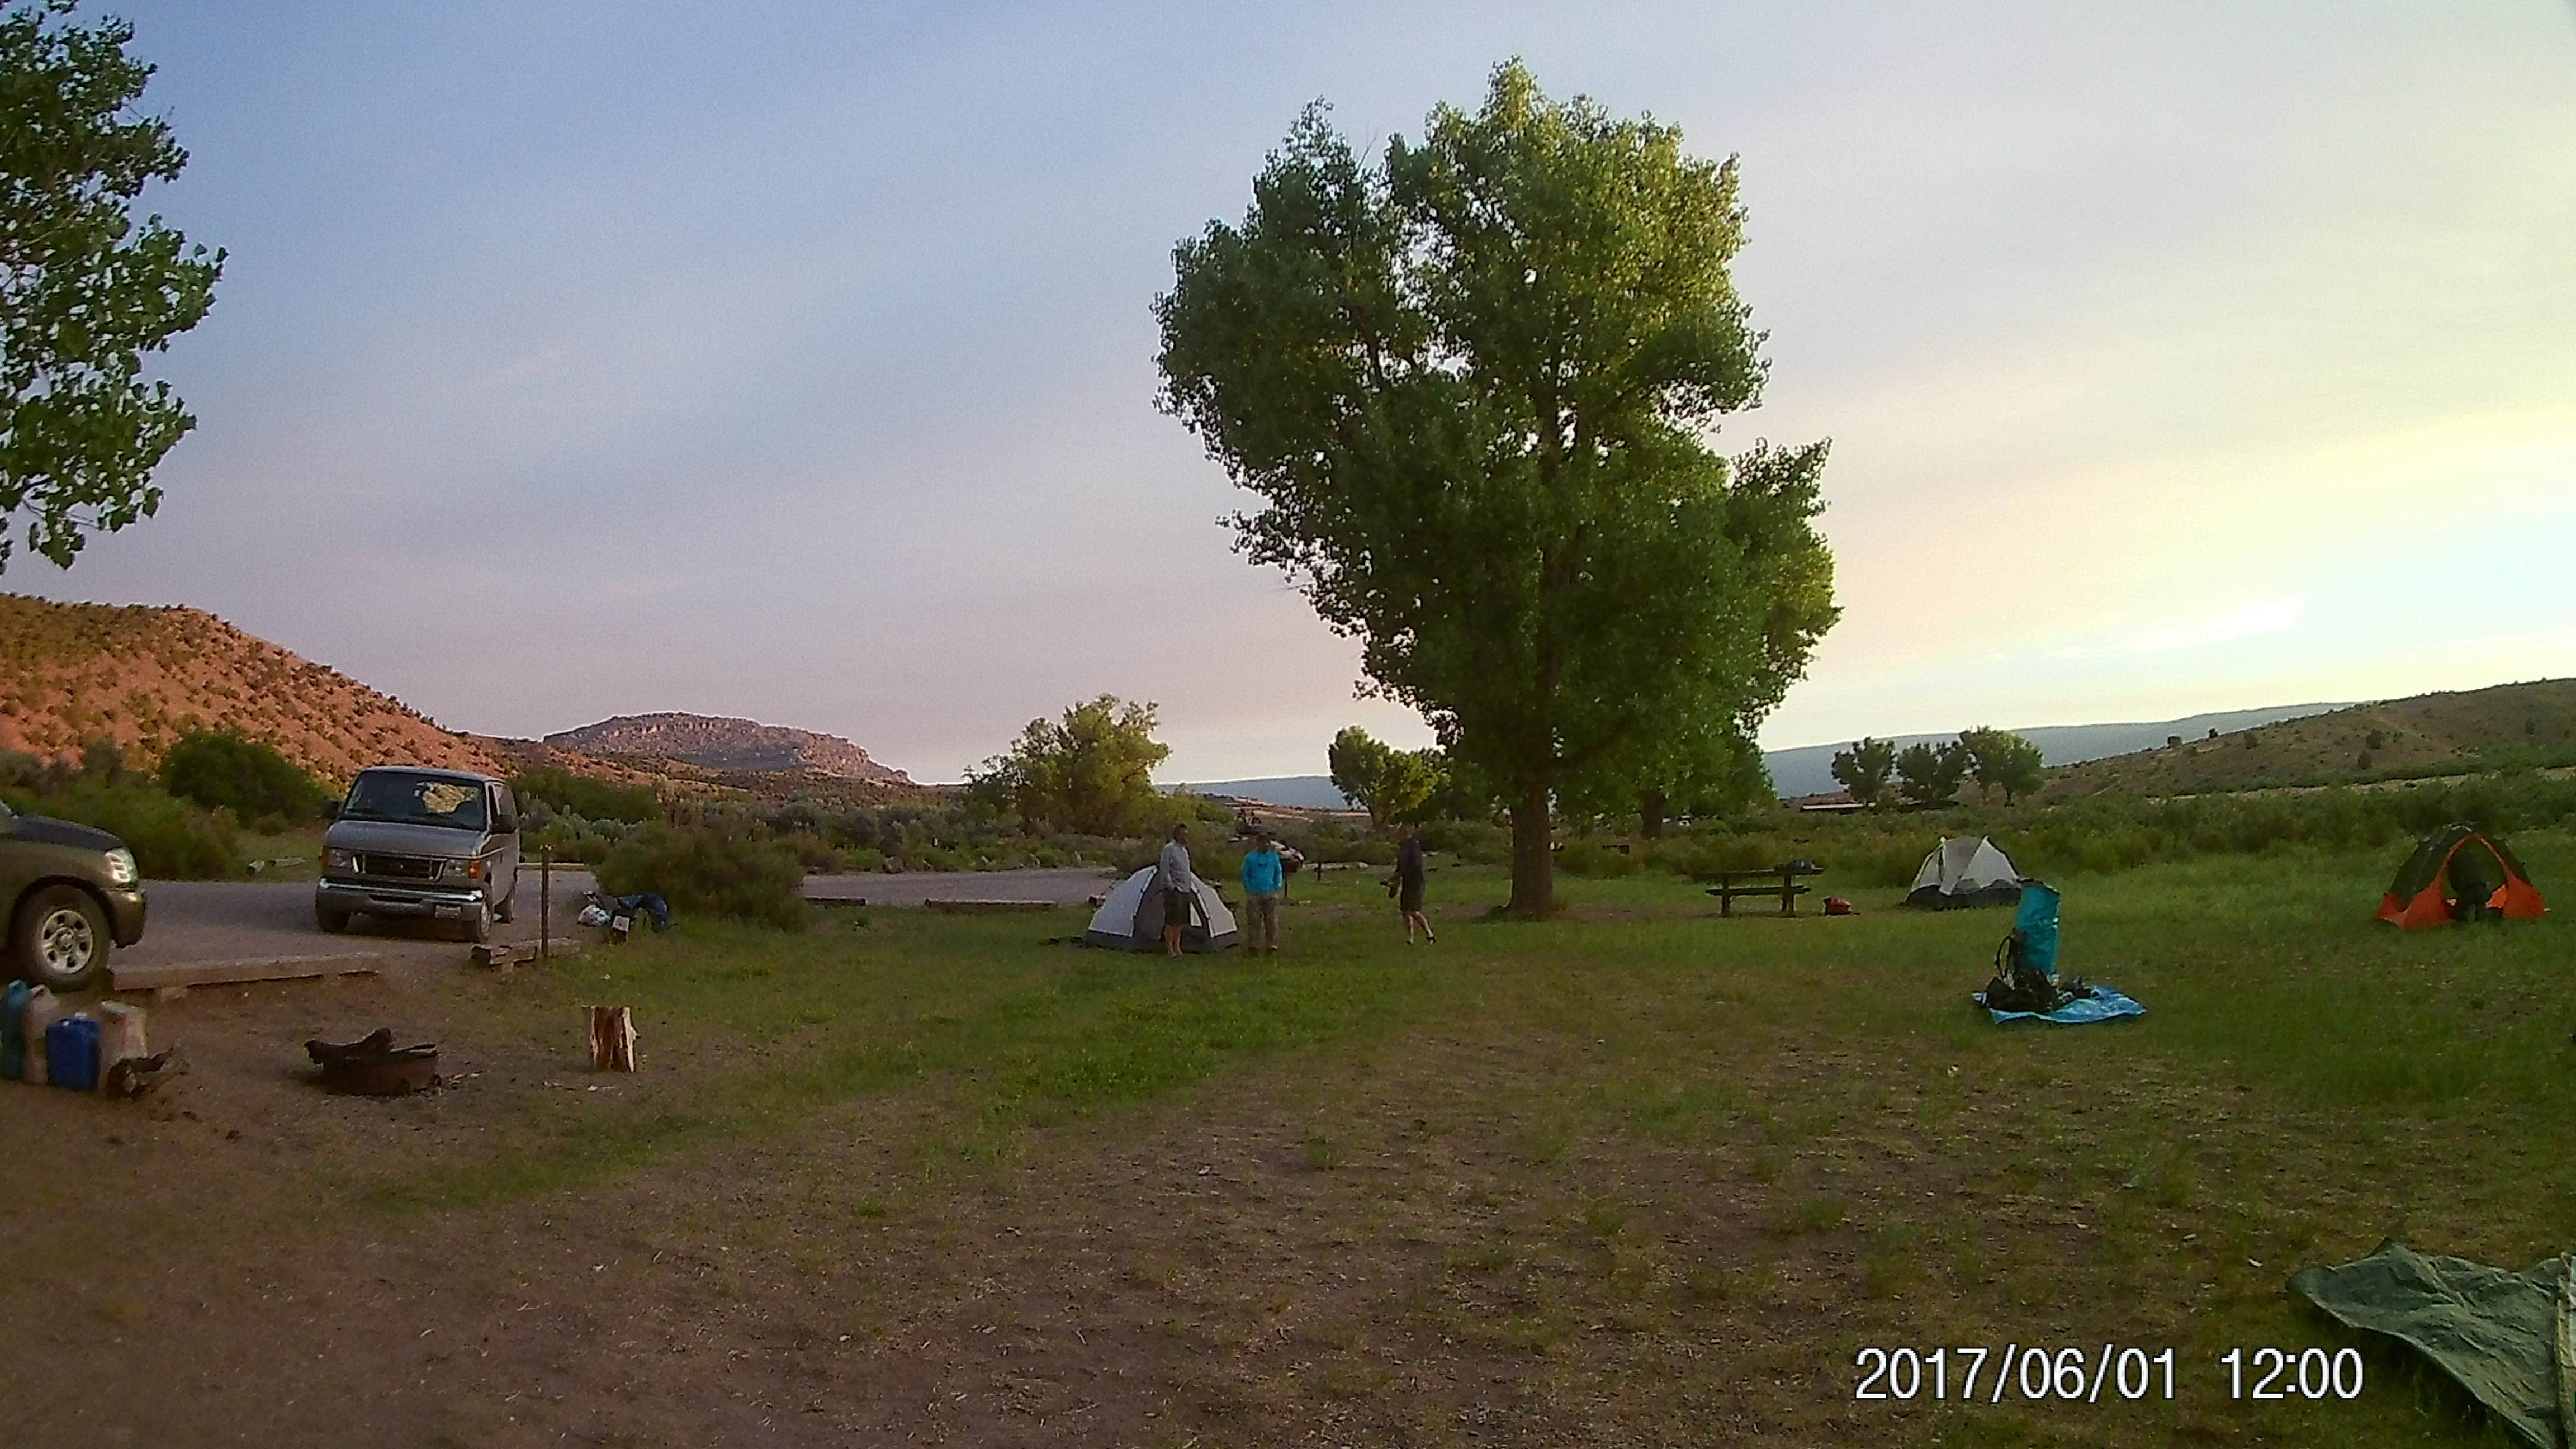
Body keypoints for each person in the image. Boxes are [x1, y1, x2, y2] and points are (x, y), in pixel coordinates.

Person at [1239, 829, 1285, 955]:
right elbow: (1245, 874)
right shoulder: (1250, 858)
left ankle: (1272, 945)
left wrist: (1277, 885)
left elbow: (1278, 872)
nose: (1265, 845)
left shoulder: (1273, 857)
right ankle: (1253, 945)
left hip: (1270, 893)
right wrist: (1249, 887)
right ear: (1258, 843)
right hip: (1254, 894)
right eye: (1262, 843)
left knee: (1271, 921)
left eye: (1267, 843)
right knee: (1254, 921)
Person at [1158, 822, 1197, 958]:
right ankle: (1170, 949)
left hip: (1185, 889)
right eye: (1183, 835)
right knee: (1172, 920)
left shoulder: (1184, 851)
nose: (1186, 837)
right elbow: (1164, 868)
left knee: (1180, 921)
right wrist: (1171, 885)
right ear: (1177, 835)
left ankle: (1178, 947)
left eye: (1187, 834)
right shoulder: (1170, 849)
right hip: (1174, 890)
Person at [1395, 824, 1434, 944]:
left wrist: (1399, 874)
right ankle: (1410, 937)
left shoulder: (1414, 845)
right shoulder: (1402, 847)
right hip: (1407, 881)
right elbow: (1401, 865)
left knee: (1414, 910)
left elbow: (1414, 864)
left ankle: (1429, 934)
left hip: (1416, 881)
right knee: (1405, 911)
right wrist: (1394, 880)